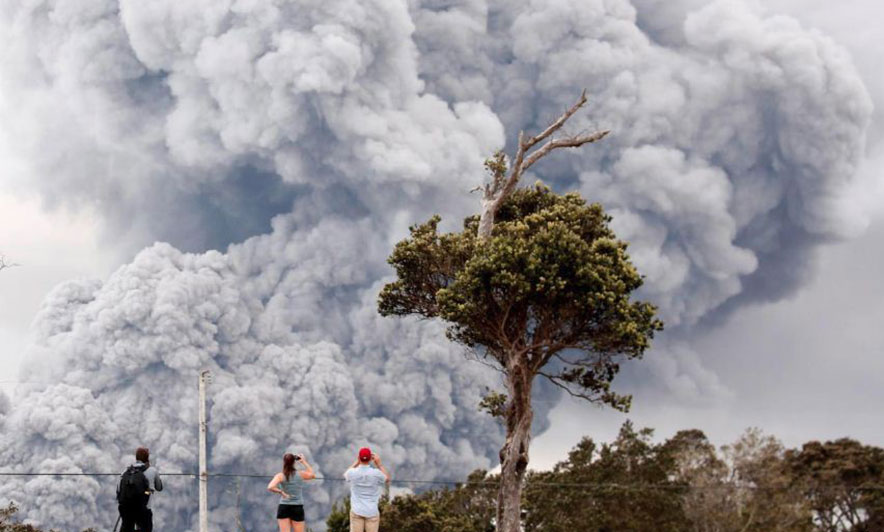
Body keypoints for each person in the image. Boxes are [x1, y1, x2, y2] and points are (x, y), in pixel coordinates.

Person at [344, 447, 391, 532]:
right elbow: (387, 479)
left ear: (359, 458)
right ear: (370, 458)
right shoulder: (376, 473)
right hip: (371, 512)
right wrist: (379, 464)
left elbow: (346, 475)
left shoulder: (352, 472)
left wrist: (356, 462)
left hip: (357, 511)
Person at [116, 447, 163, 532]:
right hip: (144, 510)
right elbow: (159, 488)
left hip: (126, 510)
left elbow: (119, 490)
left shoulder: (126, 472)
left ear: (136, 457)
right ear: (147, 459)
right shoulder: (152, 470)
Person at [267, 453, 316, 532]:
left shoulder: (280, 475)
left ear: (284, 462)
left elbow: (270, 487)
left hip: (284, 507)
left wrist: (281, 492)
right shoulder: (301, 474)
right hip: (297, 507)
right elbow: (313, 475)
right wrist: (303, 461)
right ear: (294, 462)